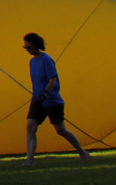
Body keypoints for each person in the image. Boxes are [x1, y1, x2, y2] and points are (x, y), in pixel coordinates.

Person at [22, 32, 90, 166]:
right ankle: (30, 161)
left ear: (36, 46)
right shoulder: (32, 61)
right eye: (25, 48)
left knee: (60, 130)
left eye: (28, 47)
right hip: (37, 101)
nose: (27, 50)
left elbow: (52, 80)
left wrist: (44, 95)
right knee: (30, 127)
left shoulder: (46, 59)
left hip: (51, 101)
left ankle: (82, 152)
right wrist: (37, 96)